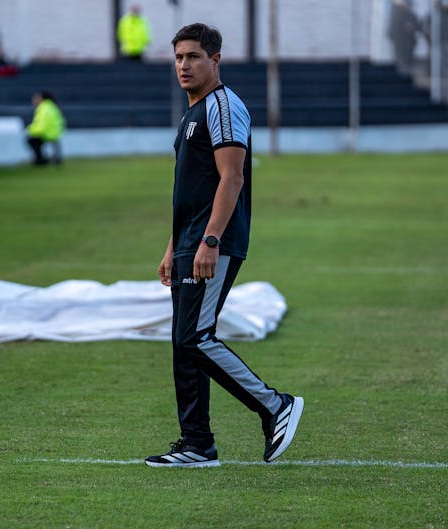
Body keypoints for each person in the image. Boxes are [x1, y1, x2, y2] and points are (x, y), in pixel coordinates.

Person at [145, 23, 303, 468]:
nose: (183, 65)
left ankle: (275, 406)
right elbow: (191, 191)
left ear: (215, 60)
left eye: (193, 56)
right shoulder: (190, 113)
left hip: (214, 240)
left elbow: (233, 178)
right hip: (189, 243)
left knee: (196, 336)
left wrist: (210, 240)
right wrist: (172, 246)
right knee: (183, 342)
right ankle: (197, 444)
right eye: (178, 58)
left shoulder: (223, 105)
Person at [25, 91, 65, 166]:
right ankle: (46, 159)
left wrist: (30, 130)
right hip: (55, 132)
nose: (33, 100)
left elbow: (41, 125)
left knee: (31, 140)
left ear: (41, 99)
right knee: (35, 141)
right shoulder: (51, 106)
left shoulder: (44, 108)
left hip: (48, 133)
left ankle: (40, 160)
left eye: (36, 98)